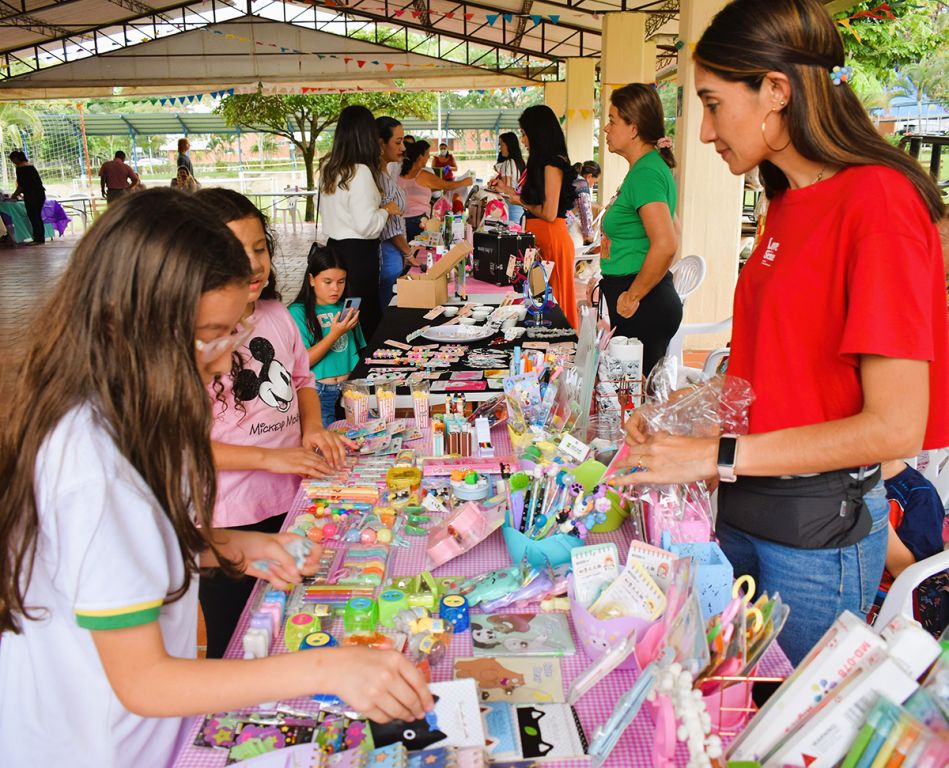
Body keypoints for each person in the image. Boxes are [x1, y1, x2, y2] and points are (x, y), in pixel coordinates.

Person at [0, 189, 433, 766]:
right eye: (212, 335)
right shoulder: (96, 466)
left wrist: (232, 546)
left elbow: (131, 551)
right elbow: (145, 682)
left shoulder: (130, 412)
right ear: (131, 322)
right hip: (99, 744)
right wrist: (330, 668)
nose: (227, 361)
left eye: (233, 333)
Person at [612, 0, 949, 666]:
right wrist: (678, 414)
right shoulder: (789, 201)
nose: (704, 133)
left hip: (813, 537)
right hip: (745, 511)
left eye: (711, 104)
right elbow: (779, 369)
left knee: (783, 720)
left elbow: (892, 428)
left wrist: (714, 455)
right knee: (726, 706)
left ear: (775, 90)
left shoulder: (875, 203)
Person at [194, 188, 352, 659]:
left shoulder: (275, 315)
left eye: (261, 248)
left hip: (286, 494)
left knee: (287, 618)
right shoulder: (187, 343)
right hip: (229, 512)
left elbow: (301, 378)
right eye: (236, 252)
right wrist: (271, 455)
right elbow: (181, 444)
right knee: (237, 636)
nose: (254, 264)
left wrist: (310, 429)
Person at [598, 84, 681, 377]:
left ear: (633, 128)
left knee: (636, 402)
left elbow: (667, 243)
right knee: (636, 399)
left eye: (612, 120)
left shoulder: (646, 172)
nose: (606, 129)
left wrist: (633, 295)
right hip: (643, 296)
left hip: (643, 303)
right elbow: (676, 228)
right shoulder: (645, 169)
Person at [319, 105, 399, 342]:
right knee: (363, 316)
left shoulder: (329, 167)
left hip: (335, 249)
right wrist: (386, 211)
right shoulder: (360, 171)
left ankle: (349, 361)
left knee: (345, 314)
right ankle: (365, 366)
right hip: (358, 255)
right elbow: (367, 225)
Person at [496, 105, 579, 330]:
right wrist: (510, 192)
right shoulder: (542, 162)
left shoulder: (553, 164)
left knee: (555, 305)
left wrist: (519, 201)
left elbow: (549, 213)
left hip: (552, 239)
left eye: (524, 134)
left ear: (537, 133)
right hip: (540, 238)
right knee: (538, 302)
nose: (522, 140)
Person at [866, 460, 948, 637]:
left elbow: (909, 571)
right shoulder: (837, 476)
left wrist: (874, 512)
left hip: (879, 605)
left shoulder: (920, 495)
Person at [289, 244, 365, 428]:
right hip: (318, 392)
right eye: (328, 281)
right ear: (312, 279)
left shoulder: (345, 308)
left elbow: (359, 349)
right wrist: (335, 334)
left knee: (360, 440)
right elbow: (302, 362)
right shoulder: (297, 313)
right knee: (327, 447)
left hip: (351, 388)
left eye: (341, 281)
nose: (335, 289)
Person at [398, 140, 473, 242]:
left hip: (400, 221)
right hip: (418, 221)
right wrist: (465, 181)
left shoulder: (400, 173)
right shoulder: (422, 174)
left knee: (406, 252)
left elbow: (419, 189)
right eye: (427, 154)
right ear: (420, 157)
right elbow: (447, 186)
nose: (428, 157)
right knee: (417, 252)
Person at [377, 116, 412, 308]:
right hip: (389, 254)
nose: (403, 148)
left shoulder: (386, 173)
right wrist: (407, 252)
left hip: (394, 254)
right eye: (397, 142)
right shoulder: (377, 177)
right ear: (381, 143)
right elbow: (389, 226)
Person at [487, 131, 526, 225]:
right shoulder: (520, 162)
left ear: (509, 145)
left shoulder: (508, 162)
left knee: (512, 231)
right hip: (520, 205)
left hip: (511, 204)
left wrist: (496, 187)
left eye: (502, 145)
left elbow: (506, 186)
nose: (500, 148)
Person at [8, 150, 46, 245]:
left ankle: (38, 239)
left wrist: (14, 195)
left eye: (13, 160)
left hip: (32, 195)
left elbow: (22, 184)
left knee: (33, 216)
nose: (13, 162)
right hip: (40, 193)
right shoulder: (30, 165)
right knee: (37, 216)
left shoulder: (21, 168)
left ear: (16, 158)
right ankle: (40, 238)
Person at [573, 160, 600, 245]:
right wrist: (588, 235)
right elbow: (585, 211)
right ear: (589, 176)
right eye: (595, 182)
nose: (592, 185)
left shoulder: (572, 178)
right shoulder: (582, 184)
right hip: (563, 226)